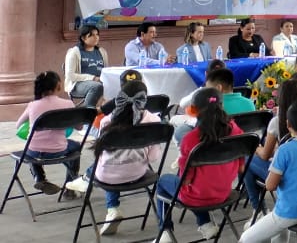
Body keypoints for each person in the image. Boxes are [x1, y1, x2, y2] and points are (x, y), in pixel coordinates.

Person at [64, 80, 161, 234]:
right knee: (116, 165)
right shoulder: (155, 121)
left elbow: (101, 155)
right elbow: (153, 157)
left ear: (119, 97)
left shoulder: (106, 121)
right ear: (144, 99)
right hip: (138, 173)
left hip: (107, 174)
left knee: (108, 165)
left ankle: (107, 203)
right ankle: (87, 180)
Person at [156, 88, 244, 242]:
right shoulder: (236, 131)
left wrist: (183, 162)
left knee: (162, 182)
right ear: (221, 106)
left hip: (196, 197)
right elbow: (241, 168)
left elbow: (186, 180)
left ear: (194, 110)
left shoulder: (190, 139)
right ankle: (205, 223)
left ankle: (165, 231)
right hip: (224, 192)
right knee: (200, 182)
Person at [240, 100, 297, 243]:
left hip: (289, 212)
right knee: (277, 231)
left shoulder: (284, 150)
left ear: (288, 124)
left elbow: (270, 186)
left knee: (245, 238)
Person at [243, 78, 297, 212]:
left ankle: (258, 208)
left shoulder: (278, 121)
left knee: (247, 158)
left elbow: (265, 155)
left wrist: (256, 148)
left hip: (286, 176)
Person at [17, 71, 82, 197]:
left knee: (30, 147)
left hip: (34, 152)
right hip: (59, 151)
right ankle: (69, 186)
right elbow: (79, 127)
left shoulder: (32, 105)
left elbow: (18, 125)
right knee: (76, 146)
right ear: (58, 85)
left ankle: (39, 178)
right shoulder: (67, 104)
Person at [64, 24, 108, 108]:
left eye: (97, 35)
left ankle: (108, 112)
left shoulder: (102, 52)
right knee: (96, 86)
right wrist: (93, 78)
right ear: (83, 38)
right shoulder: (74, 52)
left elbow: (106, 70)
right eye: (92, 35)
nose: (96, 37)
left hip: (100, 82)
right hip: (78, 84)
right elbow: (70, 75)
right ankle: (87, 111)